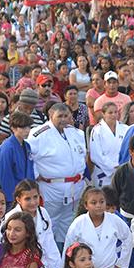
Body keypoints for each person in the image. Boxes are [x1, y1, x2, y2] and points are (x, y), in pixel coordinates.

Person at [27, 104, 88, 254]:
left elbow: (82, 157)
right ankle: (46, 257)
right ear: (50, 115)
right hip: (52, 187)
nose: (63, 119)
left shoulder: (76, 133)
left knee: (68, 225)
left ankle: (64, 259)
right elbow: (29, 156)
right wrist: (36, 176)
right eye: (59, 116)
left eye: (66, 116)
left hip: (75, 188)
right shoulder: (39, 134)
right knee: (49, 224)